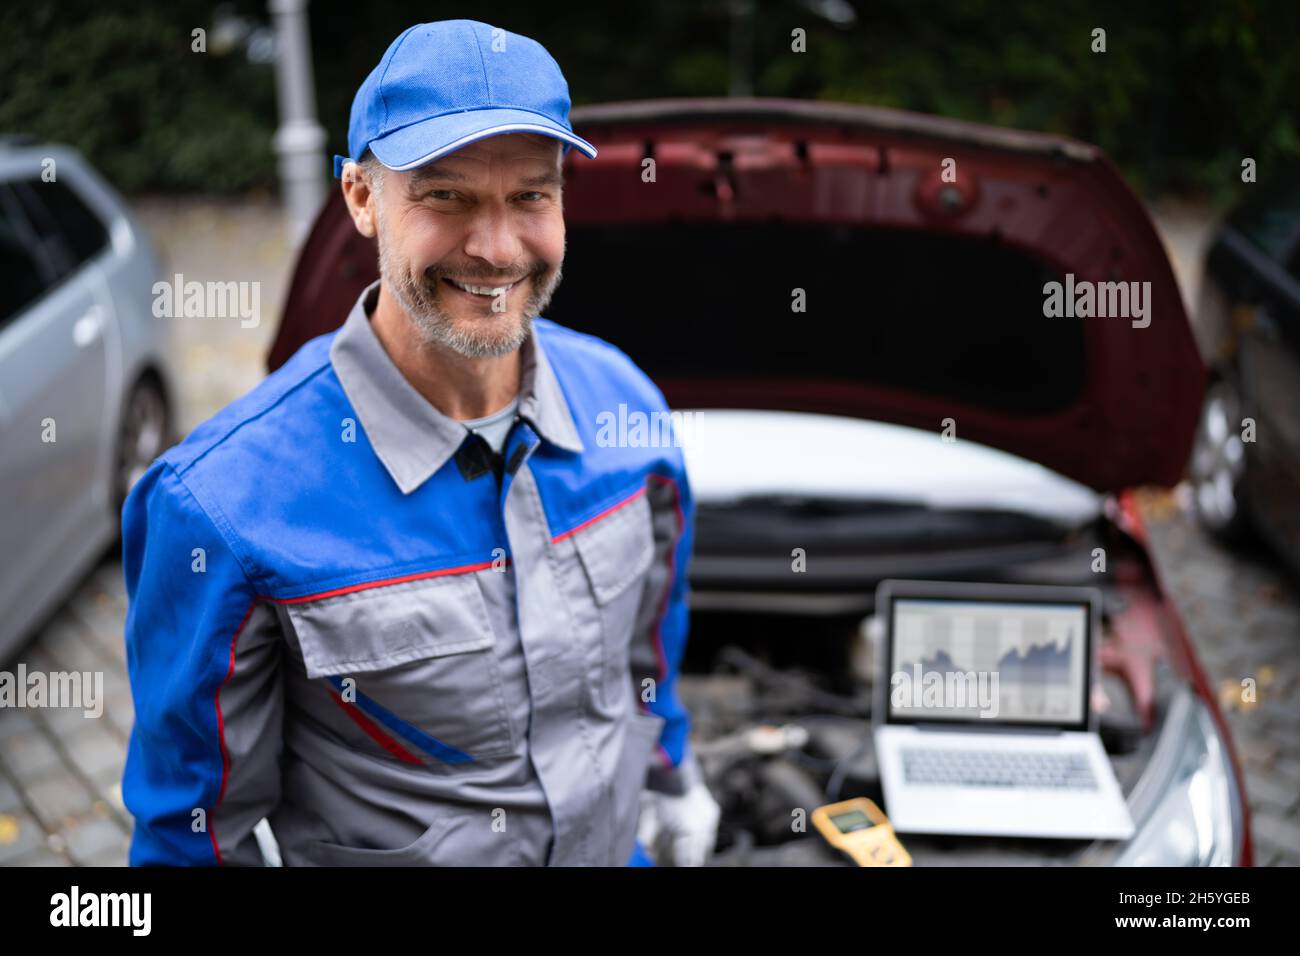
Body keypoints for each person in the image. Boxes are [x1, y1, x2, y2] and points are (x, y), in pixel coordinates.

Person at [121, 19, 719, 866]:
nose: (498, 247)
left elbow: (646, 657)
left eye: (531, 196)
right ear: (361, 197)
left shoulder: (628, 411)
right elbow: (192, 841)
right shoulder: (222, 507)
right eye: (447, 196)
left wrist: (672, 775)